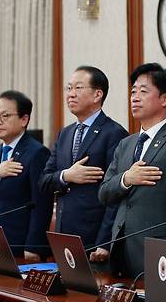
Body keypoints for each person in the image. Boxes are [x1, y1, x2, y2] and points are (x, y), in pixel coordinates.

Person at [92, 63, 166, 277]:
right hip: (119, 250)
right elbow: (104, 192)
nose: (135, 97)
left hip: (156, 256)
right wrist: (126, 179)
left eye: (143, 91)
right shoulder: (126, 144)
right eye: (133, 91)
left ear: (165, 98)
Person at [39, 66, 128, 248]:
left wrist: (104, 243)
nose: (70, 94)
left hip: (94, 236)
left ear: (97, 95)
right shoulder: (65, 134)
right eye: (69, 88)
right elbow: (44, 181)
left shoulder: (114, 133)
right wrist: (66, 176)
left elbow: (115, 195)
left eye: (78, 88)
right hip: (63, 232)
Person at [0, 91, 53, 261]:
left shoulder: (37, 153)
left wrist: (33, 246)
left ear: (24, 119)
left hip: (21, 246)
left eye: (5, 116)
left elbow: (42, 204)